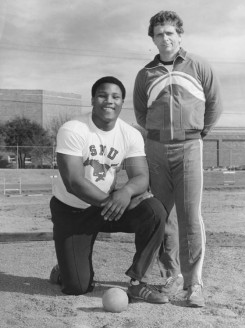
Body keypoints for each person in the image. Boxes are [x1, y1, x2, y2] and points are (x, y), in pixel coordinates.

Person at [49, 76, 169, 304]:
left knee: (154, 211)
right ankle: (63, 268)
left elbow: (141, 177)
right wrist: (111, 202)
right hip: (73, 211)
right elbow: (73, 182)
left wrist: (125, 193)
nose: (109, 101)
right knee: (77, 287)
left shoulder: (130, 133)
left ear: (122, 102)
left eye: (116, 96)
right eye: (103, 95)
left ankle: (137, 283)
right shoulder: (73, 129)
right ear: (93, 99)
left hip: (106, 207)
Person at [133, 11, 223, 307]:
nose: (165, 38)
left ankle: (194, 282)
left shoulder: (198, 66)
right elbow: (141, 114)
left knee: (189, 216)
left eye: (170, 33)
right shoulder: (145, 73)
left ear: (179, 35)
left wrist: (198, 132)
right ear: (153, 39)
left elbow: (214, 104)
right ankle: (173, 275)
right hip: (156, 149)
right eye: (159, 34)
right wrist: (157, 138)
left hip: (189, 146)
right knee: (162, 216)